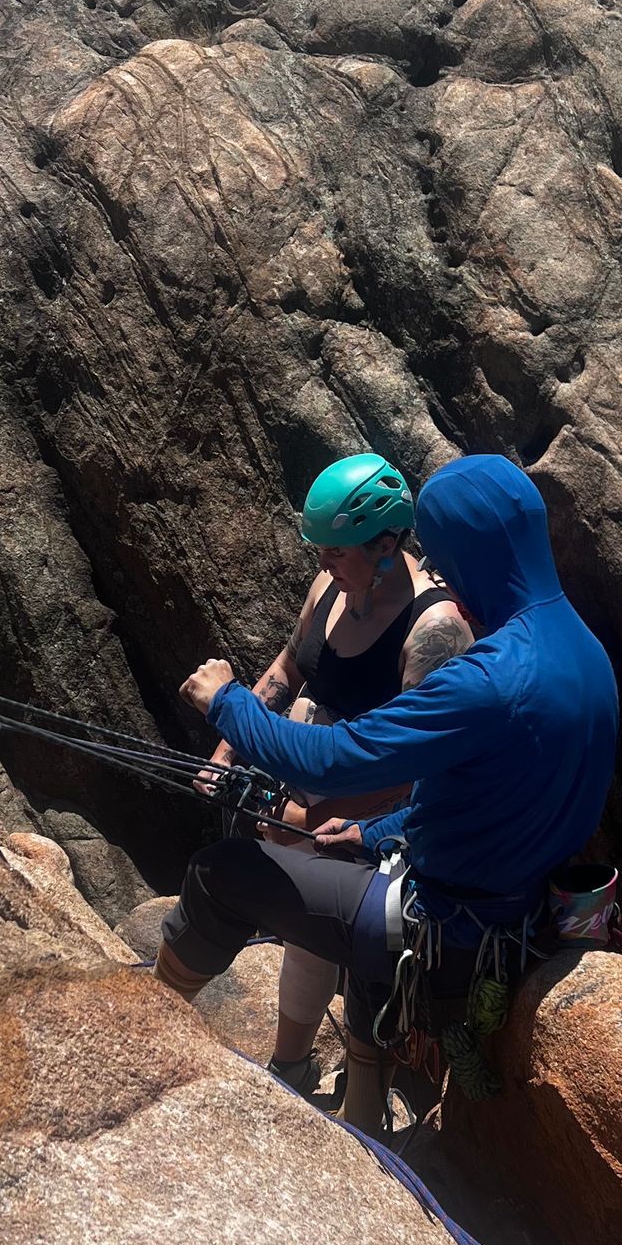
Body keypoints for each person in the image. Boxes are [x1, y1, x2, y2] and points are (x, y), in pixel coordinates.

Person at [159, 454, 619, 1129]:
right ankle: (364, 1119)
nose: (439, 570)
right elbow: (482, 796)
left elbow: (333, 762)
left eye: (443, 551)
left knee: (218, 875)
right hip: (520, 918)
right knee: (342, 868)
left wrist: (226, 703)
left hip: (445, 931)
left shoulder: (491, 676)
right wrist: (373, 833)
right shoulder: (584, 652)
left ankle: (146, 1021)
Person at [202, 452, 472, 1091]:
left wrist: (320, 815)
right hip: (301, 769)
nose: (322, 565)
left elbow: (414, 769)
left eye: (336, 552)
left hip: (362, 801)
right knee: (297, 910)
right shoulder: (331, 586)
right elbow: (292, 666)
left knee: (313, 923)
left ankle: (319, 1070)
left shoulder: (433, 629)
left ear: (384, 545)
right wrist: (227, 753)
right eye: (320, 552)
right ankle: (298, 1060)